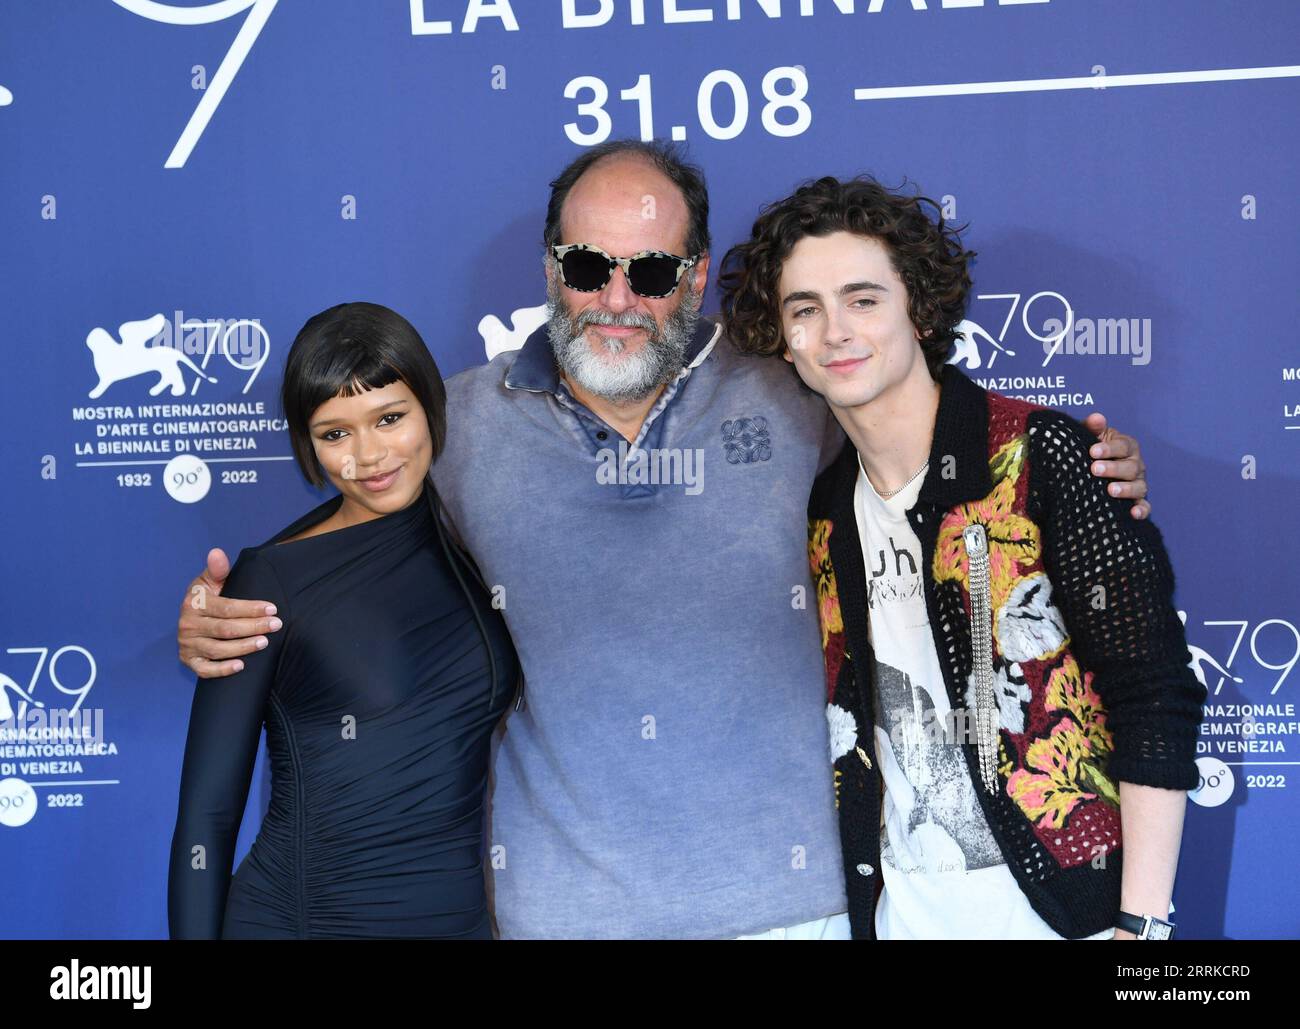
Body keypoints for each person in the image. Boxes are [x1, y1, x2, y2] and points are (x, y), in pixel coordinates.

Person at [176, 141, 1150, 939]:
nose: (616, 298)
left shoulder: (796, 391)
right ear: (551, 268)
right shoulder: (460, 424)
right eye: (589, 266)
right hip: (554, 921)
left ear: (692, 276)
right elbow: (352, 508)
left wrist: (1085, 470)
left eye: (648, 271)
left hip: (798, 914)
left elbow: (942, 446)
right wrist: (231, 609)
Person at [717, 174, 1205, 939]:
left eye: (863, 298)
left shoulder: (1045, 458)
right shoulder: (819, 512)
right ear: (784, 338)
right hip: (901, 917)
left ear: (918, 305)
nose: (836, 330)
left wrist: (1141, 927)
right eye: (804, 309)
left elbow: (1155, 692)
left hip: (1067, 917)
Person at [168, 302, 519, 939]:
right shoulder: (270, 580)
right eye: (335, 434)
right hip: (307, 924)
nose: (369, 456)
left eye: (390, 418)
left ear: (431, 411)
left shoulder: (468, 538)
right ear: (309, 444)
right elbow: (208, 817)